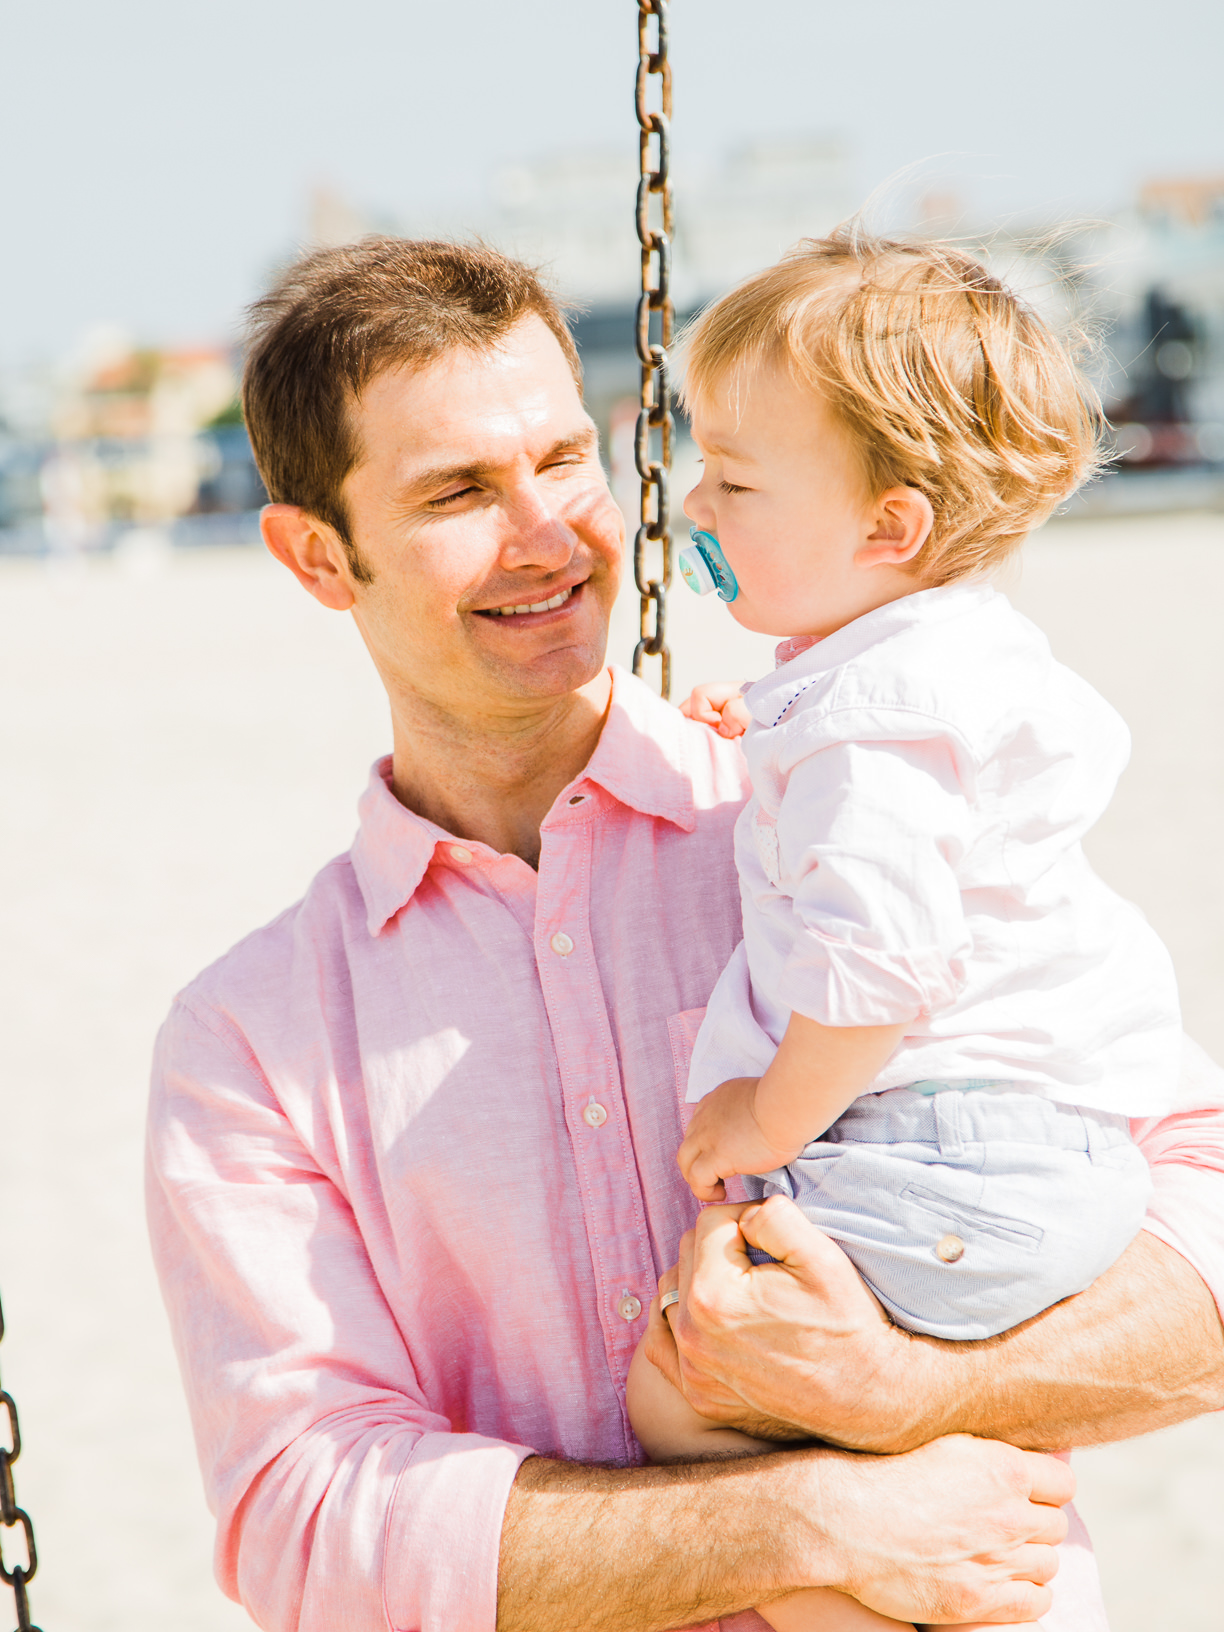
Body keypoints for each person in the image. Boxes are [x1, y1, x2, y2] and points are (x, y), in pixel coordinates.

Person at [144, 235, 1224, 1632]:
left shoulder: (840, 813)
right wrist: (807, 1519)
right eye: (461, 490)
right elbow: (306, 1519)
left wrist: (915, 1391)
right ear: (315, 555)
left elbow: (1199, 1233)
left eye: (564, 460)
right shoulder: (250, 1043)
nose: (548, 535)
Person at [623, 230, 1187, 1632]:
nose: (696, 499)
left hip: (937, 1155)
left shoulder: (873, 737)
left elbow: (880, 966)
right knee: (899, 1433)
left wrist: (763, 1116)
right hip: (1044, 1161)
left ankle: (919, 1597)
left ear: (890, 529)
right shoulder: (936, 663)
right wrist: (757, 740)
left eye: (738, 483)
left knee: (691, 1387)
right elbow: (897, 799)